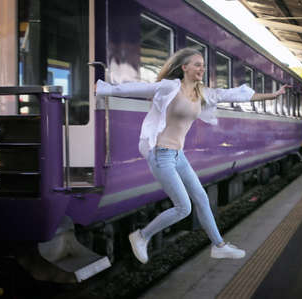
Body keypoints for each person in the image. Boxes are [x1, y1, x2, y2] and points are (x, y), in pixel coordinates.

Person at [96, 48, 290, 264]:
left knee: (202, 199)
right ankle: (142, 236)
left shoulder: (202, 93)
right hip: (161, 154)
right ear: (184, 67)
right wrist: (105, 89)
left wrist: (273, 95)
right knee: (184, 208)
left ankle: (219, 246)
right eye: (197, 64)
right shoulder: (170, 87)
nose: (202, 68)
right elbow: (141, 88)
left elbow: (235, 93)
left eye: (203, 65)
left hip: (178, 155)